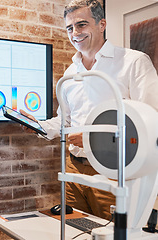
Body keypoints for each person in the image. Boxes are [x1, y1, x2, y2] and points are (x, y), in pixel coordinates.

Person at [21, 0, 158, 220]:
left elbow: (151, 124)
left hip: (113, 172)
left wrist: (92, 138)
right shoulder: (69, 73)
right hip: (74, 169)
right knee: (76, 228)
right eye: (69, 28)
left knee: (112, 231)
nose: (75, 33)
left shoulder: (134, 63)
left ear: (101, 24)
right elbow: (65, 122)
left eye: (82, 24)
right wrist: (39, 125)